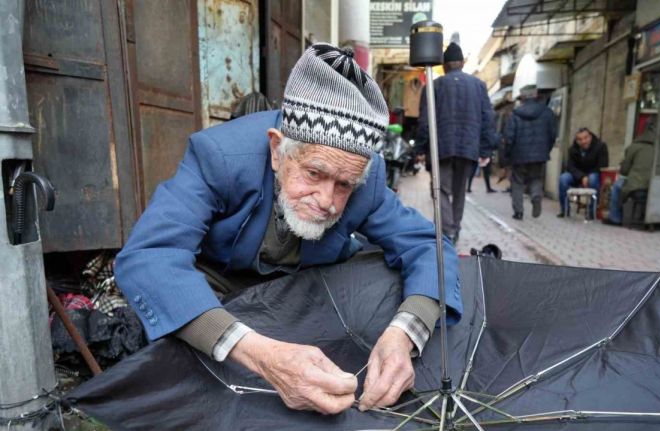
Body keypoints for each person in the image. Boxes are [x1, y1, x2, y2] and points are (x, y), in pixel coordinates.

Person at [114, 44, 462, 415]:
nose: (327, 200)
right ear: (278, 150)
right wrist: (259, 354)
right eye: (314, 173)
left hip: (303, 294)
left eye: (344, 185)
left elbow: (429, 246)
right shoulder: (220, 157)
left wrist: (404, 335)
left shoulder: (367, 178)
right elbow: (149, 257)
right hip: (219, 294)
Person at [417, 42, 494, 244]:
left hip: (441, 148)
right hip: (468, 148)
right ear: (461, 63)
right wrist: (485, 149)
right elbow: (488, 118)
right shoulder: (479, 86)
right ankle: (455, 229)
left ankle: (447, 230)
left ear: (445, 65)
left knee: (440, 189)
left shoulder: (433, 86)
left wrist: (420, 148)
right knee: (459, 191)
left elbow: (424, 120)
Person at [503, 85, 556, 220]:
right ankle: (536, 195)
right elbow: (552, 135)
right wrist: (546, 150)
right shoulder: (547, 112)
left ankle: (518, 212)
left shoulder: (515, 114)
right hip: (539, 154)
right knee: (536, 178)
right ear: (536, 95)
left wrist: (507, 155)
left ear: (522, 97)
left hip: (518, 155)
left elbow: (509, 137)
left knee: (517, 182)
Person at [603, 131, 655, 225]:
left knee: (617, 186)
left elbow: (624, 170)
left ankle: (615, 219)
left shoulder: (634, 147)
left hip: (639, 188)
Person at [558, 127, 609, 218]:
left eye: (586, 138)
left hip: (594, 174)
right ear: (577, 141)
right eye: (580, 139)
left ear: (590, 137)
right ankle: (565, 210)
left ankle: (591, 212)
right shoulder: (573, 149)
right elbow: (570, 166)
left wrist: (587, 176)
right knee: (563, 178)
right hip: (577, 175)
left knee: (593, 178)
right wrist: (582, 177)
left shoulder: (600, 146)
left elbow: (602, 166)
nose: (584, 141)